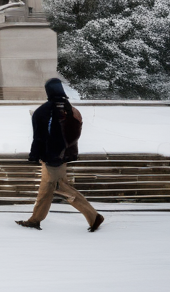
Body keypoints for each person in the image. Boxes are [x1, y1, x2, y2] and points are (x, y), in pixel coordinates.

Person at [16, 77, 104, 232]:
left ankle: (94, 216)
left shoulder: (43, 111)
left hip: (51, 158)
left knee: (60, 187)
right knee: (46, 189)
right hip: (64, 157)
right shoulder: (72, 110)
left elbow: (39, 137)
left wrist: (34, 156)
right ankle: (35, 220)